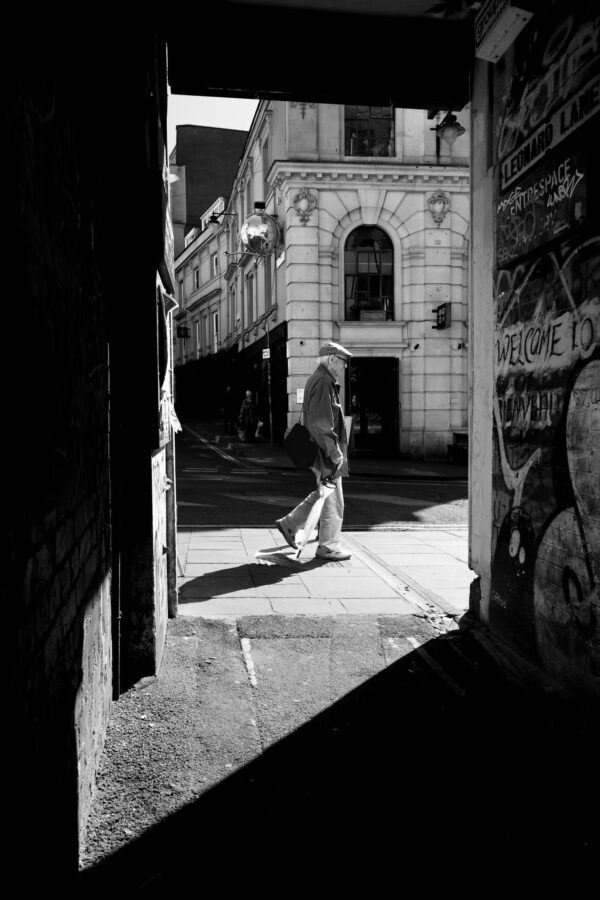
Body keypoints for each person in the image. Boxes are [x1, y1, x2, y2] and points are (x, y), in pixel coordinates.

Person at [276, 341, 352, 561]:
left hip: (321, 450)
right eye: (342, 362)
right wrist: (335, 452)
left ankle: (290, 524)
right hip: (325, 452)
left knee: (324, 494)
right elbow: (320, 423)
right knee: (333, 500)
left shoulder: (321, 380)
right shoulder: (322, 382)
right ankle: (328, 546)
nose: (344, 367)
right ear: (331, 360)